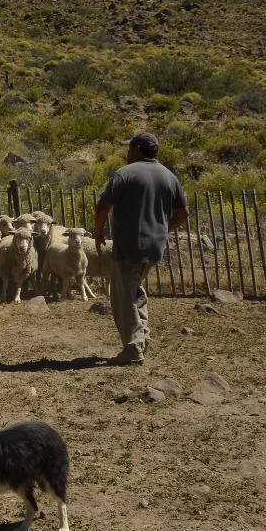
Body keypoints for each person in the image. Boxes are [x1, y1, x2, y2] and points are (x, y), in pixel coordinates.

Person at [92, 132, 188, 366]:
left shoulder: (125, 174)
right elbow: (183, 213)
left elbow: (103, 205)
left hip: (128, 245)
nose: (126, 153)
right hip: (154, 247)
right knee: (135, 290)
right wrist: (164, 231)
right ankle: (142, 337)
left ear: (136, 149)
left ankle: (133, 348)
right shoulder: (168, 175)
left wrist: (97, 232)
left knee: (122, 297)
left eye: (129, 148)